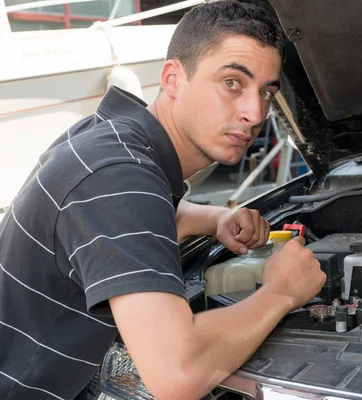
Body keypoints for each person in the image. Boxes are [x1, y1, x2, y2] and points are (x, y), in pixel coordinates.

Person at [0, 2, 326, 399]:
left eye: (266, 92)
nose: (254, 112)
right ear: (173, 78)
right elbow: (177, 375)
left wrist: (216, 218)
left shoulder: (111, 139)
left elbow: (133, 218)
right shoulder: (117, 175)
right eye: (231, 83)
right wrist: (281, 292)